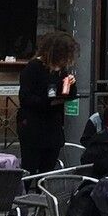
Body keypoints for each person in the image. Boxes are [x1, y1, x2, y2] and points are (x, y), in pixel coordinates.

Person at [18, 30, 78, 173]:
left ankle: (44, 192)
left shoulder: (61, 70)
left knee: (49, 166)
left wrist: (71, 85)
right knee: (30, 165)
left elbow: (66, 92)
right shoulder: (34, 67)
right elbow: (25, 97)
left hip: (52, 123)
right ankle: (25, 191)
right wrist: (48, 102)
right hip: (33, 124)